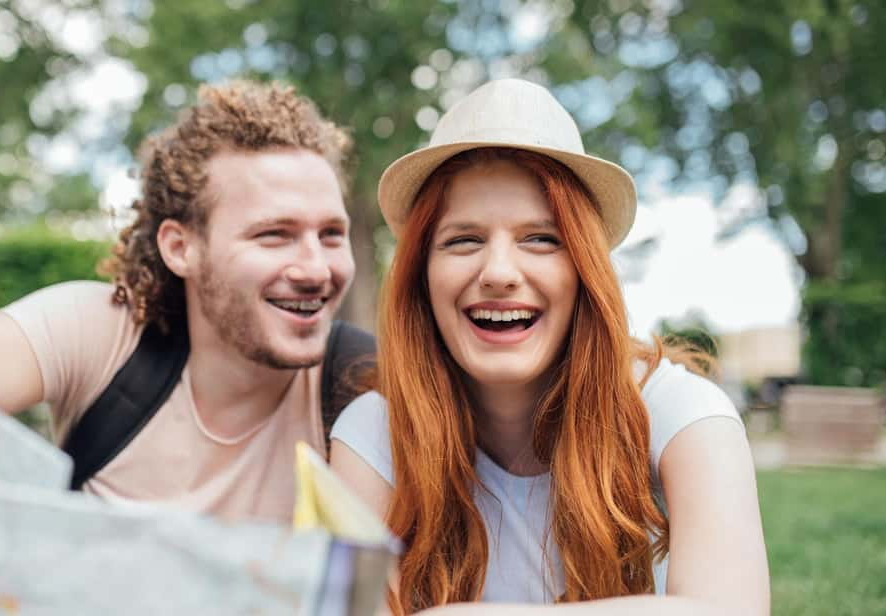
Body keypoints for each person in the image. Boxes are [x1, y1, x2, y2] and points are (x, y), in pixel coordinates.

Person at [0, 80, 366, 616]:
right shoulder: (108, 333)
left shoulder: (362, 384)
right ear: (181, 247)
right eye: (274, 235)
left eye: (331, 234)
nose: (316, 268)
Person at [329, 79, 770, 615]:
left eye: (540, 238)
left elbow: (731, 609)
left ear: (584, 270)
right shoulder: (372, 432)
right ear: (422, 276)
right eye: (463, 239)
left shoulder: (685, 414)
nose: (498, 273)